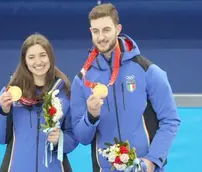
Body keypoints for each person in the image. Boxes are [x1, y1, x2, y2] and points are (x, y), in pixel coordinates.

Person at [70, 3, 180, 172]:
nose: (101, 37)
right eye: (96, 31)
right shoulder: (82, 80)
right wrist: (91, 116)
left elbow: (170, 120)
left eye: (106, 30)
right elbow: (82, 137)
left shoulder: (147, 70)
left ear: (118, 28)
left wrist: (153, 160)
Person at [0, 33, 78, 172]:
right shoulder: (10, 93)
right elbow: (0, 138)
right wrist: (4, 111)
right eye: (31, 57)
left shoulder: (65, 92)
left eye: (42, 55)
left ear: (50, 57)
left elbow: (73, 137)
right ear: (24, 61)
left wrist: (60, 140)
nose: (38, 62)